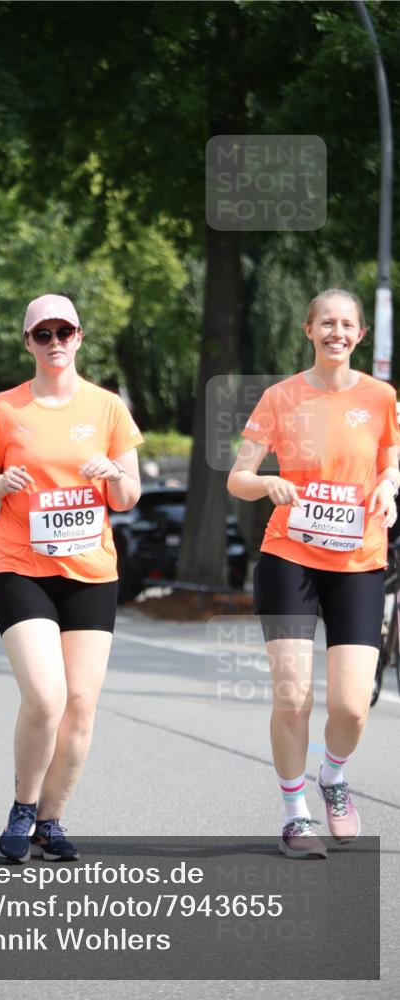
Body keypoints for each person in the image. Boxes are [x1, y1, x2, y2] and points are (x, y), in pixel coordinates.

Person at [0, 293, 143, 863]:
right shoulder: (5, 409)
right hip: (22, 565)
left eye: (63, 332)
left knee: (81, 704)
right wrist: (1, 485)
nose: (55, 343)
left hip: (91, 571)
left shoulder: (108, 408)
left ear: (79, 337)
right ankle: (23, 806)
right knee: (46, 697)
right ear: (28, 343)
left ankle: (52, 821)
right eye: (42, 334)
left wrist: (112, 471)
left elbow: (128, 495)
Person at [228, 288, 400, 859]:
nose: (337, 332)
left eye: (347, 324)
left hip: (358, 559)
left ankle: (333, 775)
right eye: (326, 322)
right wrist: (267, 484)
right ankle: (295, 811)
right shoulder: (281, 398)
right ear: (308, 330)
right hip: (290, 556)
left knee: (352, 705)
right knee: (293, 697)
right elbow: (238, 477)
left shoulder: (381, 398)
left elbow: (389, 466)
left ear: (359, 335)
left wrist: (388, 489)